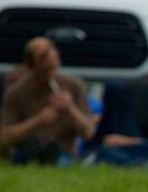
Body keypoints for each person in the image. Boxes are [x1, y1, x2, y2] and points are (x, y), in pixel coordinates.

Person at [0, 36, 96, 165]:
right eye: (44, 69)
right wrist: (38, 121)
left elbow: (88, 132)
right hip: (25, 150)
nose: (49, 73)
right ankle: (34, 152)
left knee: (61, 159)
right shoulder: (17, 92)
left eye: (52, 68)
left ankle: (50, 154)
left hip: (63, 151)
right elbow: (4, 138)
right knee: (26, 154)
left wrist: (70, 108)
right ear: (30, 66)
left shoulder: (74, 86)